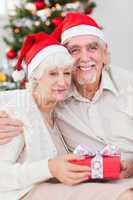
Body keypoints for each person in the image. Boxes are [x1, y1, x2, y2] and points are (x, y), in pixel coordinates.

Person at [0, 12, 133, 200]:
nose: (84, 58)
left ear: (105, 54)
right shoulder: (41, 100)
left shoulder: (128, 86)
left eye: (92, 48)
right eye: (74, 50)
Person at [0, 32, 90, 200]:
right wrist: (49, 167)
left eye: (67, 73)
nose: (63, 82)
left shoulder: (59, 109)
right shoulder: (18, 111)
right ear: (36, 76)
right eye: (53, 74)